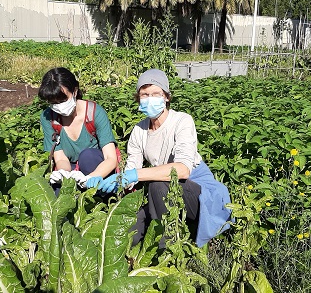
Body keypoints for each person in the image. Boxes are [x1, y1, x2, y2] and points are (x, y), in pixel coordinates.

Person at [98, 68, 231, 247]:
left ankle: (169, 249)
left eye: (156, 93)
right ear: (138, 98)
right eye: (144, 94)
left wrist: (135, 175)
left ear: (166, 97)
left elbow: (183, 170)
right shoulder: (139, 130)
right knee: (132, 232)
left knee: (157, 184)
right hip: (163, 192)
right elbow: (132, 168)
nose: (150, 98)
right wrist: (117, 181)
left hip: (198, 193)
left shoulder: (182, 121)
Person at [38, 67, 118, 190]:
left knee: (88, 156)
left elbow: (111, 158)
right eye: (53, 102)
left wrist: (90, 178)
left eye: (63, 100)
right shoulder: (49, 117)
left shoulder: (94, 113)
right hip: (71, 167)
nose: (59, 106)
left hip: (96, 168)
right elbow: (60, 158)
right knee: (59, 196)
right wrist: (64, 174)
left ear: (75, 91)